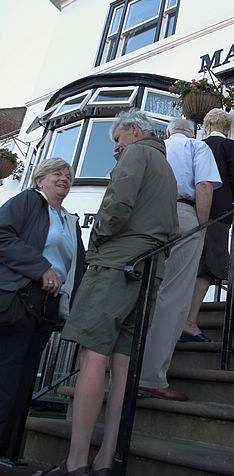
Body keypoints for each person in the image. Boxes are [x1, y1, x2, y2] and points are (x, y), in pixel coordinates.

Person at [43, 110, 178, 476]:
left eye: (117, 141)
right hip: (149, 270)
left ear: (134, 131)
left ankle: (75, 464)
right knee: (123, 367)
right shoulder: (166, 168)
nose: (116, 150)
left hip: (117, 265)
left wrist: (97, 237)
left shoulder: (137, 154)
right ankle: (105, 462)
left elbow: (117, 206)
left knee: (93, 357)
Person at [0, 157, 86, 457]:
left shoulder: (70, 220)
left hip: (48, 308)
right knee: (7, 374)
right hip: (19, 299)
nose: (64, 178)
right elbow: (2, 235)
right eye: (56, 174)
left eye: (68, 175)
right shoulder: (28, 201)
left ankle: (10, 451)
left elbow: (79, 268)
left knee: (25, 378)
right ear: (40, 179)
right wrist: (41, 268)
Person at [139, 118, 222, 400]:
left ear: (168, 131)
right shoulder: (196, 146)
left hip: (147, 218)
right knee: (173, 295)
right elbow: (204, 187)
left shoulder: (154, 147)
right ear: (192, 131)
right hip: (183, 216)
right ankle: (150, 376)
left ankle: (121, 372)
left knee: (142, 291)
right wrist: (201, 225)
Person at [181, 108, 234, 341]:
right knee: (207, 265)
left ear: (207, 126)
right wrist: (229, 194)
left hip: (190, 208)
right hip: (218, 211)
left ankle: (180, 318)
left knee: (189, 262)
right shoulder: (231, 146)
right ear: (226, 128)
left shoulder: (195, 146)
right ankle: (188, 322)